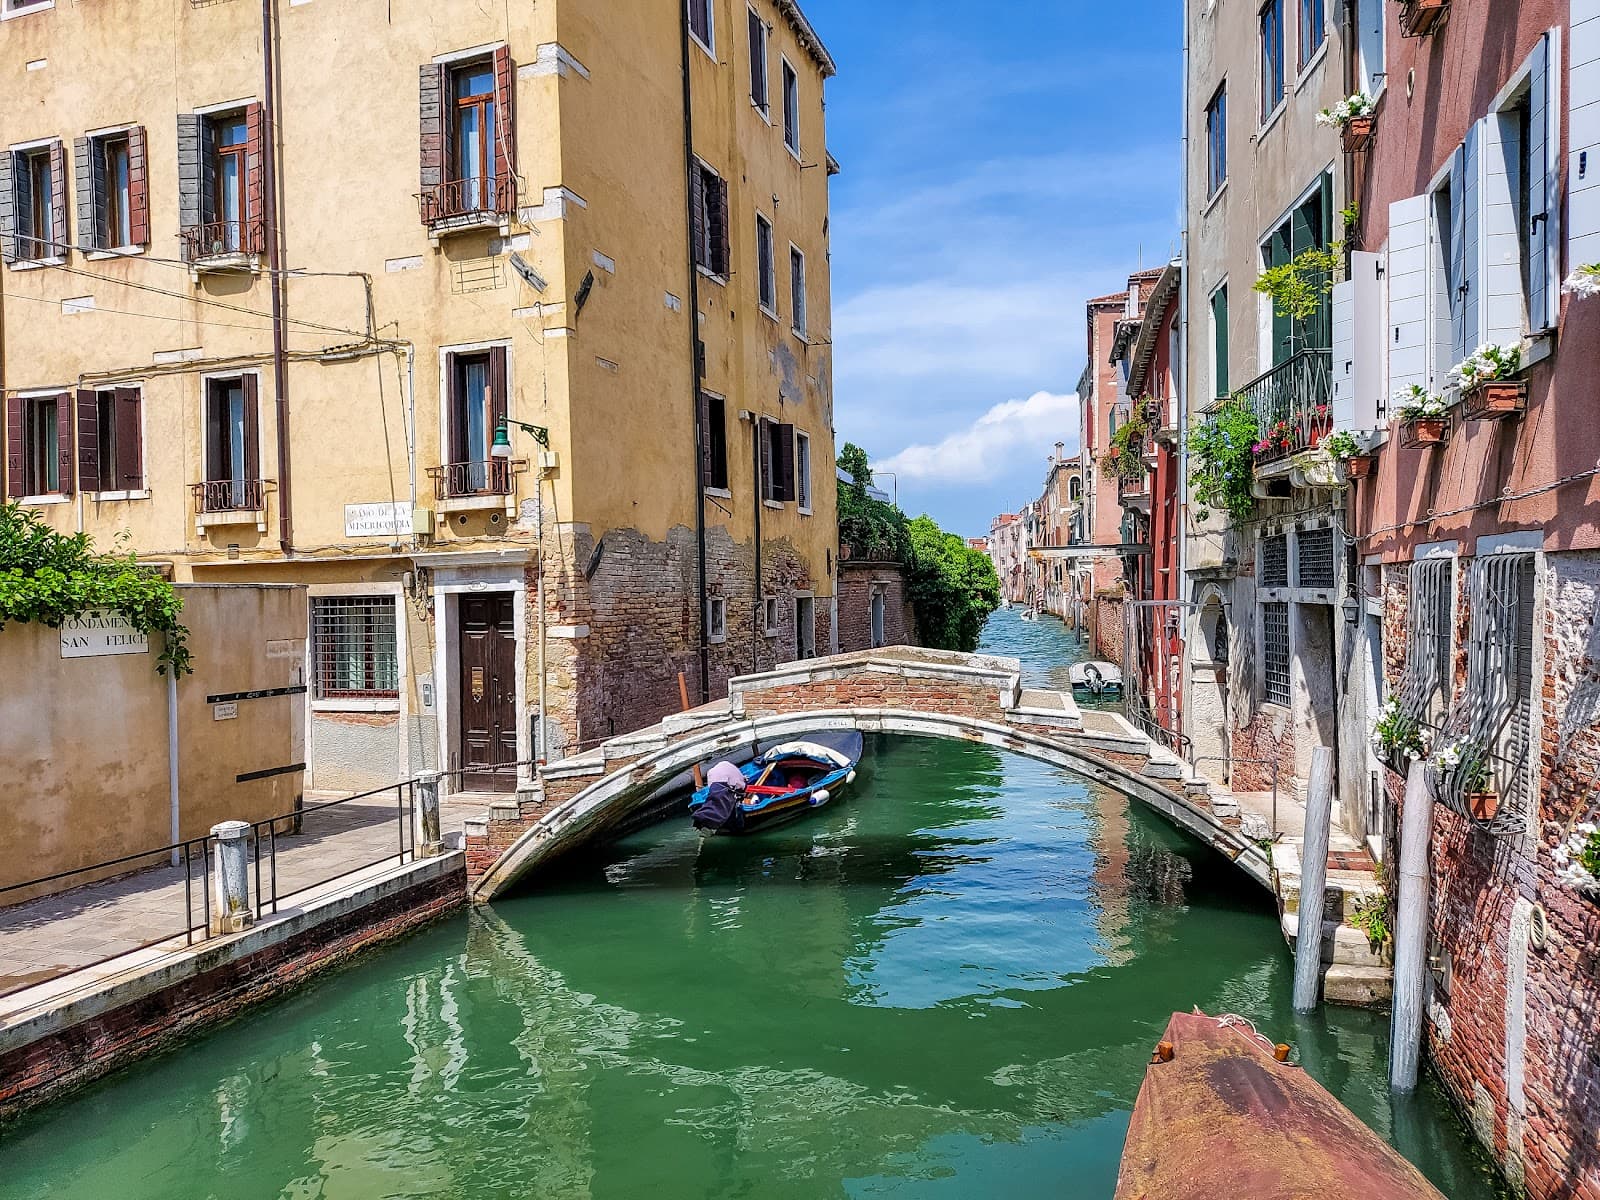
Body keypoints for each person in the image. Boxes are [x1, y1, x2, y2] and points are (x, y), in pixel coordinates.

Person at [694, 760, 748, 834]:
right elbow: (742, 787)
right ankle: (710, 822)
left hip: (720, 781)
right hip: (729, 783)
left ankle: (705, 820)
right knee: (724, 800)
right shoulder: (734, 773)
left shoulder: (712, 772)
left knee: (718, 799)